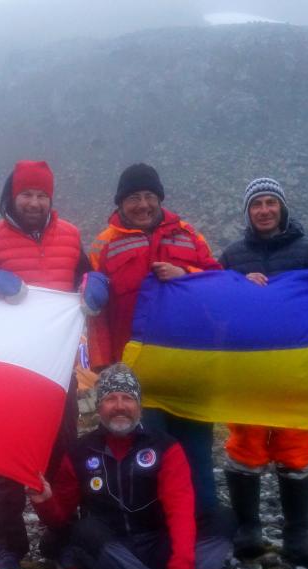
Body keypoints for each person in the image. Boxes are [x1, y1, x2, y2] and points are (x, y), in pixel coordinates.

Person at [0, 160, 108, 569]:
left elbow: (87, 276)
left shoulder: (71, 236)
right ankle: (8, 547)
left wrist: (97, 283)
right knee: (9, 461)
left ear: (51, 199)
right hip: (9, 371)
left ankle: (61, 541)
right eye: (27, 194)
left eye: (42, 195)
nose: (34, 202)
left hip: (58, 372)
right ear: (12, 195)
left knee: (61, 458)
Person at [30, 364, 240, 569]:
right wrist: (44, 500)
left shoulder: (165, 447)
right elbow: (60, 519)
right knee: (82, 530)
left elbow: (180, 509)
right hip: (113, 556)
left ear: (139, 405)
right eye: (110, 398)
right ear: (98, 405)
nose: (119, 406)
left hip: (158, 544)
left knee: (222, 518)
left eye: (127, 398)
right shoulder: (79, 452)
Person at [87, 163, 223, 517]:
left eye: (150, 196)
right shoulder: (104, 245)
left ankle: (202, 525)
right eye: (134, 197)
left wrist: (185, 274)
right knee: (145, 454)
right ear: (121, 202)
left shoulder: (188, 234)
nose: (143, 204)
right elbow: (95, 313)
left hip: (189, 368)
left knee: (195, 452)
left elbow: (218, 282)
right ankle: (150, 528)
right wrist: (104, 367)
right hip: (136, 375)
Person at [219, 178, 308, 566]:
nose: (264, 210)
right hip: (245, 367)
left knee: (295, 447)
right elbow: (216, 301)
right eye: (256, 204)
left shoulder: (307, 252)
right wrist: (237, 284)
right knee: (244, 445)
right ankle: (249, 528)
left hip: (295, 369)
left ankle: (297, 533)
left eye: (270, 203)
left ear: (282, 208)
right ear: (247, 211)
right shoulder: (232, 256)